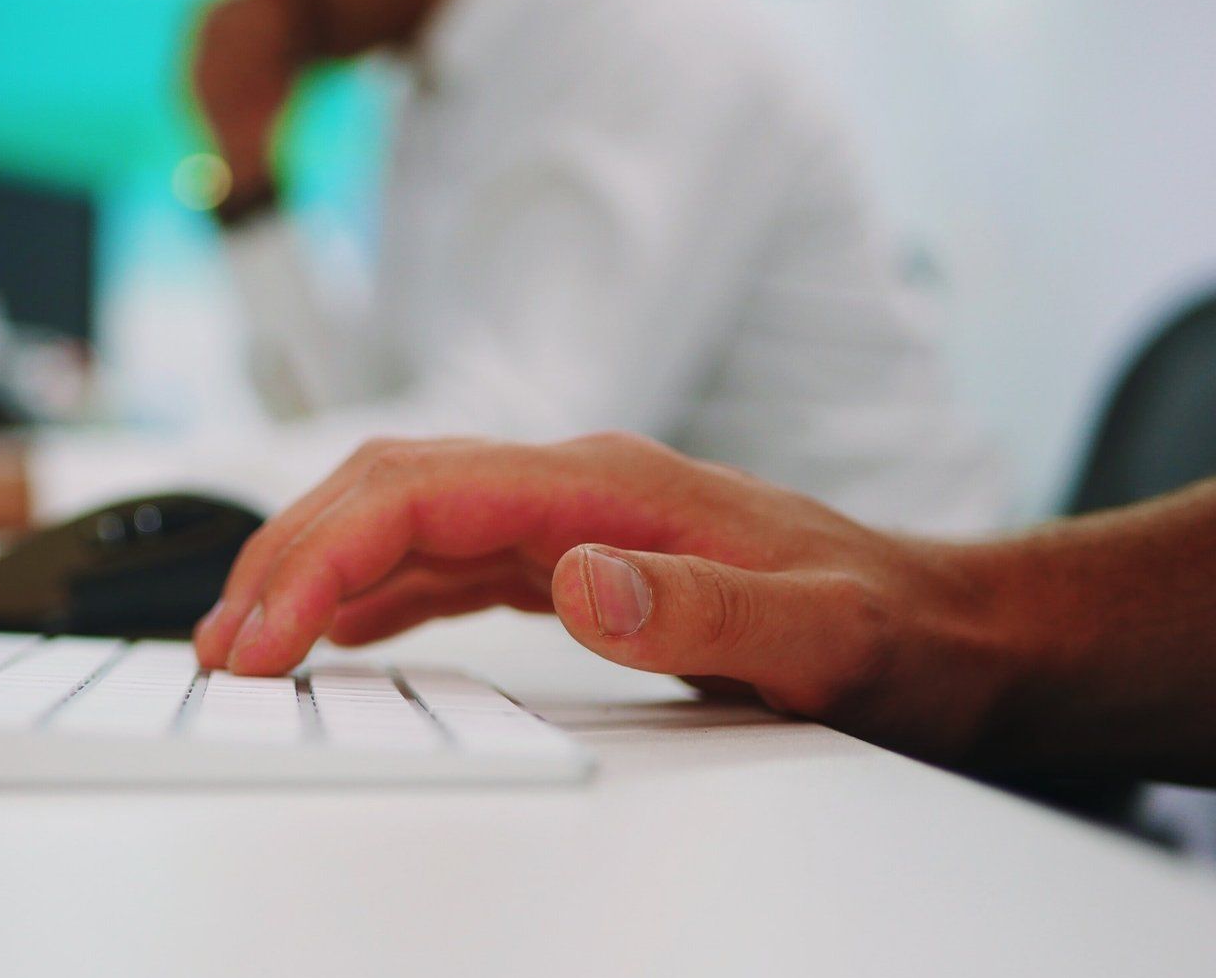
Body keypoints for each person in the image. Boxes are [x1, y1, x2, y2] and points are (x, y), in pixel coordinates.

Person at [0, 0, 1009, 568]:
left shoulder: (650, 42)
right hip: (729, 661)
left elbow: (507, 462)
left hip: (936, 719)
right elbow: (379, 421)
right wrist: (248, 174)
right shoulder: (433, 86)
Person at [193, 433, 1216, 782]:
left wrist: (967, 616)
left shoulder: (645, 50)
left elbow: (512, 392)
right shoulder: (413, 119)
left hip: (979, 774)